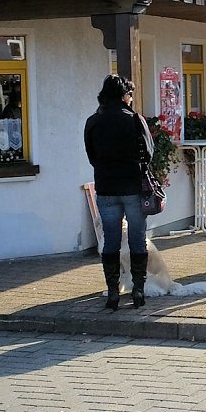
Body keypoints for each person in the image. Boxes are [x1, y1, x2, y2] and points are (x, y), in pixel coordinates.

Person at [84, 75, 154, 310]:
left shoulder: (93, 121)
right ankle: (138, 289)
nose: (131, 98)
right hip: (132, 187)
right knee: (137, 239)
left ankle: (113, 292)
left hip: (106, 188)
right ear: (124, 96)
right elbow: (149, 153)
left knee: (111, 241)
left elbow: (92, 156)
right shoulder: (135, 120)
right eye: (130, 94)